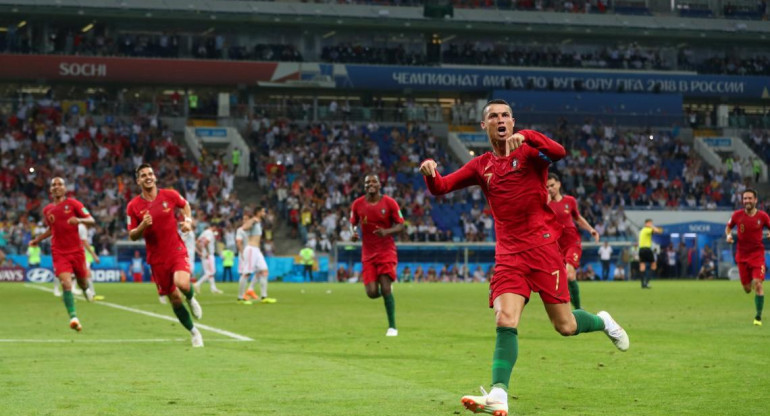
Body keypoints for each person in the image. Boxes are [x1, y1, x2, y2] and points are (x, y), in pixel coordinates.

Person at [419, 99, 628, 416]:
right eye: (493, 116)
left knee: (566, 326)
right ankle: (499, 393)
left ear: (513, 122)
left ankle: (603, 321)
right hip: (508, 256)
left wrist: (529, 136)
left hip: (544, 250)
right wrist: (431, 173)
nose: (500, 120)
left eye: (505, 115)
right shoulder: (481, 166)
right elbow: (441, 187)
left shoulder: (530, 152)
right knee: (505, 319)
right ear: (484, 125)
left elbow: (559, 153)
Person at [127, 163, 204, 347]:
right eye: (143, 175)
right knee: (174, 299)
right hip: (156, 259)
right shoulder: (133, 206)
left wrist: (187, 221)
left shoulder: (169, 195)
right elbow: (132, 235)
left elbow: (185, 206)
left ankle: (192, 298)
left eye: (150, 174)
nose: (148, 177)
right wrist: (143, 226)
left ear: (154, 177)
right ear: (138, 180)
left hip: (175, 250)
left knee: (182, 283)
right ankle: (194, 332)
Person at [29, 177, 96, 332]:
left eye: (60, 184)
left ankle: (86, 291)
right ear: (50, 190)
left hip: (77, 251)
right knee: (66, 283)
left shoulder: (74, 204)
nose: (57, 187)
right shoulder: (47, 210)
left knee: (83, 282)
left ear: (65, 189)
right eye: (54, 185)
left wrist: (78, 220)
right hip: (59, 252)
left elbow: (91, 220)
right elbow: (51, 229)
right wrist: (37, 240)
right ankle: (73, 317)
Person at [349, 174, 405, 337]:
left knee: (385, 287)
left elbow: (401, 225)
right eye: (368, 183)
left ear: (380, 185)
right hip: (368, 252)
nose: (371, 185)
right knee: (372, 293)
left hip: (386, 250)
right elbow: (352, 223)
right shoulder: (358, 204)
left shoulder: (389, 203)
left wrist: (386, 231)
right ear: (364, 186)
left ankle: (392, 327)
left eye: (374, 182)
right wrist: (353, 233)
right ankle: (387, 294)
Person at [546, 173, 599, 308]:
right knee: (563, 278)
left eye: (552, 185)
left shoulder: (570, 201)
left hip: (572, 242)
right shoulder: (544, 204)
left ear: (559, 184)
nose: (550, 189)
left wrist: (591, 229)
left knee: (569, 275)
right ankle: (571, 307)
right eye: (547, 187)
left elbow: (578, 218)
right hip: (556, 245)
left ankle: (578, 309)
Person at [725, 188, 770, 326]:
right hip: (742, 256)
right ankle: (751, 281)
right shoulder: (737, 215)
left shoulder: (763, 216)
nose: (747, 201)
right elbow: (728, 227)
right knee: (746, 289)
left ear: (755, 200)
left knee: (758, 284)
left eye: (750, 198)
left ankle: (758, 317)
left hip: (757, 256)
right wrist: (728, 235)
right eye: (745, 199)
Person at [238, 206, 276, 303]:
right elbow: (244, 228)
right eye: (263, 212)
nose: (264, 213)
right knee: (247, 273)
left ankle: (264, 297)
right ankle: (240, 297)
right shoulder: (254, 220)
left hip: (256, 250)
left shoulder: (258, 222)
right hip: (251, 249)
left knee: (264, 271)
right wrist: (252, 220)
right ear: (258, 212)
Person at [194, 224, 223, 294]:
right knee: (211, 272)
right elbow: (206, 242)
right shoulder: (210, 233)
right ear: (214, 227)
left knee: (208, 272)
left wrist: (200, 251)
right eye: (216, 229)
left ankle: (213, 288)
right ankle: (197, 284)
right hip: (209, 255)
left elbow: (197, 242)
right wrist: (207, 252)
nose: (215, 231)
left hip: (204, 255)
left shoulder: (204, 232)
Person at [638, 219, 663, 289]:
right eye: (650, 223)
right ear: (646, 223)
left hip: (641, 249)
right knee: (654, 266)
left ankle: (643, 284)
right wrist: (652, 226)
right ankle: (646, 282)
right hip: (647, 249)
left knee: (642, 266)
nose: (651, 224)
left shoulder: (642, 230)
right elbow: (659, 231)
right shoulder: (647, 229)